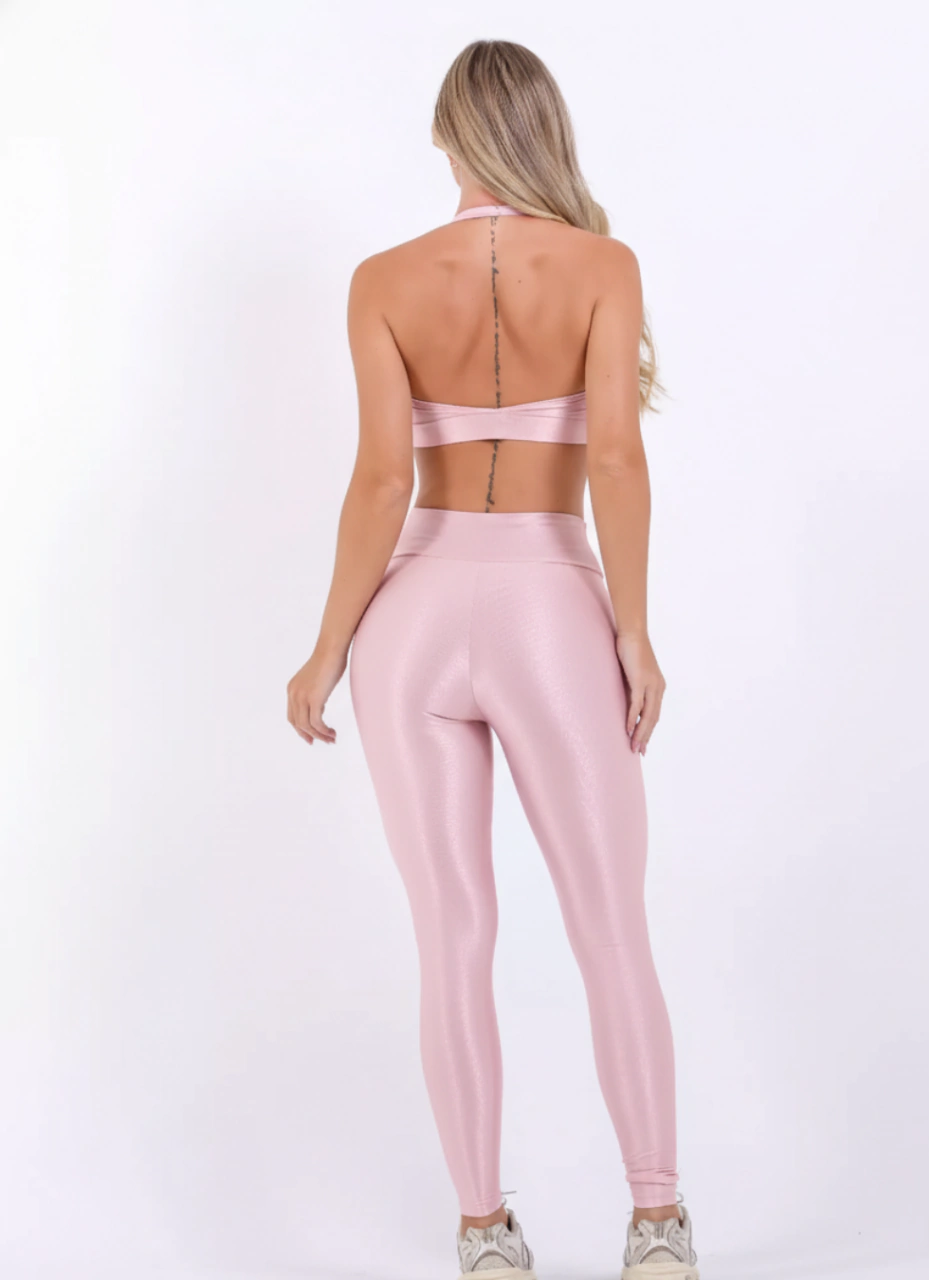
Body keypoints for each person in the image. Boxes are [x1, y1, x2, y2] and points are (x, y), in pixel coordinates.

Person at [286, 39, 700, 1280]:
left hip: (412, 615)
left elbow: (381, 479)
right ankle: (656, 1223)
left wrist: (324, 650)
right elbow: (614, 457)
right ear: (544, 133)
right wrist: (632, 626)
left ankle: (483, 1233)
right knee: (609, 922)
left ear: (445, 136)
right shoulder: (602, 265)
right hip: (546, 603)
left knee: (452, 934)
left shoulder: (382, 280)